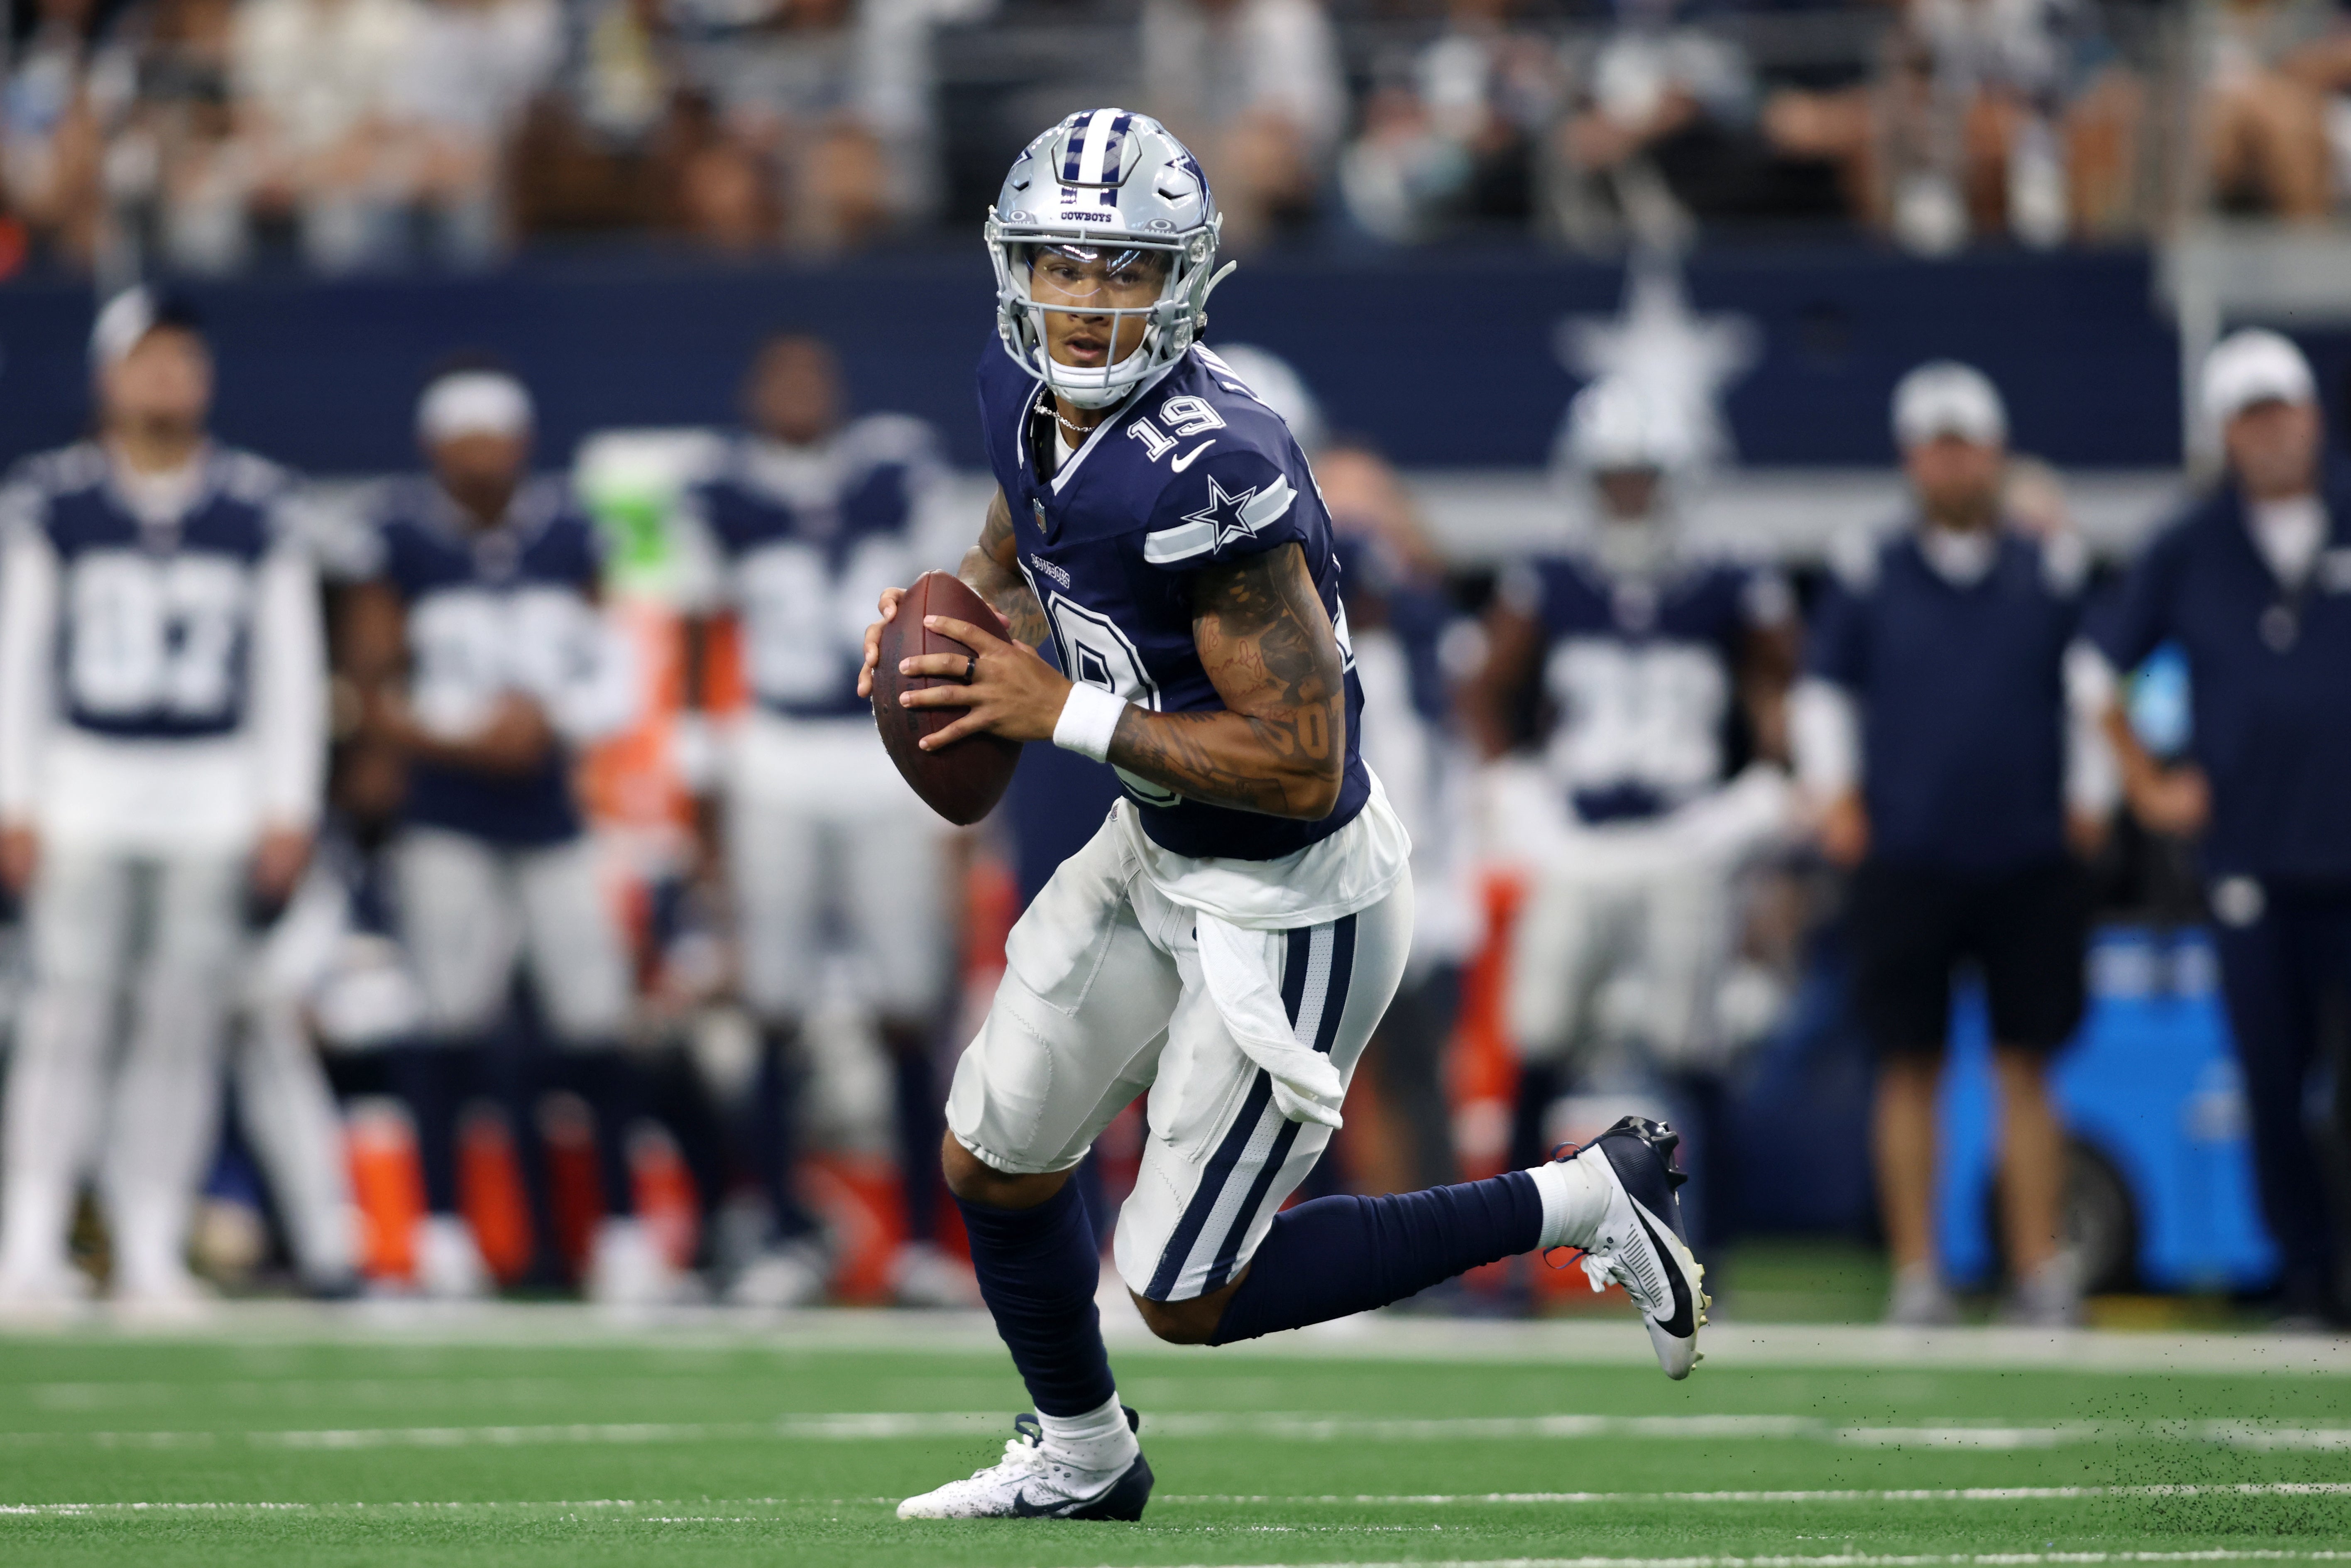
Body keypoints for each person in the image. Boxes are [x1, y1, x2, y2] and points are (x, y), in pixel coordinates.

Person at [859, 108, 1705, 1523]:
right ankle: (1082, 1454)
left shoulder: (1213, 468)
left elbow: (1302, 766)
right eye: (1061, 263)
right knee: (991, 1154)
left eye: (1122, 269)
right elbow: (1014, 546)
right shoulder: (1020, 394)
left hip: (1290, 893)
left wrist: (1050, 707)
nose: (1084, 299)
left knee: (1185, 1290)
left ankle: (1582, 1197)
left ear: (1181, 282)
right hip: (1153, 839)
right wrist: (948, 632)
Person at [0, 287, 325, 1308]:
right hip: (86, 787)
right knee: (66, 1019)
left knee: (181, 1025)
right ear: (109, 376)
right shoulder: (53, 502)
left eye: (184, 359)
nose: (169, 378)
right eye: (149, 360)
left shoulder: (258, 505)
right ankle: (34, 1239)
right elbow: (19, 659)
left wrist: (289, 802)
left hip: (210, 794)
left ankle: (149, 1241)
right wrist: (14, 794)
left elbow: (290, 667)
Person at [1791, 360, 2114, 1328]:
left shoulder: (2049, 566)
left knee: (2027, 1064)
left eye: (1965, 443)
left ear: (1995, 452)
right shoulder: (1868, 568)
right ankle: (1920, 1270)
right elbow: (1821, 693)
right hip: (1908, 849)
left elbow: (2092, 692)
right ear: (1911, 459)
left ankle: (2037, 1268)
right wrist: (1836, 796)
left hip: (2024, 849)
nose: (1951, 462)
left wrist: (2091, 794)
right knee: (1909, 1065)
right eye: (1935, 445)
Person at [338, 365, 668, 1304]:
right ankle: (440, 1227)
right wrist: (461, 736)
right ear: (434, 447)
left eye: (496, 434)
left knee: (596, 1026)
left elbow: (613, 662)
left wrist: (552, 719)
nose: (482, 453)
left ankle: (623, 1230)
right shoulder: (396, 536)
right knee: (446, 1026)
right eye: (464, 436)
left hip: (551, 812)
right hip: (446, 812)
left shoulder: (570, 532)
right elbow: (371, 685)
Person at [671, 332, 974, 1309]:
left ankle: (925, 1245)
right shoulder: (716, 486)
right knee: (772, 1006)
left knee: (908, 1006)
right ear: (755, 392)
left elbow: (956, 599)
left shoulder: (897, 466)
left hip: (883, 757)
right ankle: (782, 1233)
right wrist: (699, 774)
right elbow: (692, 631)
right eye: (781, 377)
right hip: (774, 751)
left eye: (814, 375)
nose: (799, 392)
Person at [1467, 377, 1796, 1254]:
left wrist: (1759, 792)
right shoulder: (1548, 578)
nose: (1629, 496)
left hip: (1685, 835)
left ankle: (1711, 1249)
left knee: (1694, 1047)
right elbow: (1482, 688)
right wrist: (1518, 792)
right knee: (1538, 1039)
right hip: (1579, 837)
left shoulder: (1733, 580)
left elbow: (1781, 696)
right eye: (1614, 478)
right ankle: (1504, 1262)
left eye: (1644, 478)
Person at [2090, 330, 2351, 1327]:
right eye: (2250, 416)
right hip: (2253, 859)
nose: (2272, 431)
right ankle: (2307, 1279)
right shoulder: (2189, 542)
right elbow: (2095, 671)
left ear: (2312, 414)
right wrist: (2149, 786)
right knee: (2273, 1080)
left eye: (2280, 408)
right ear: (2225, 434)